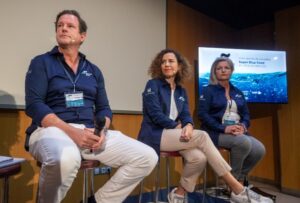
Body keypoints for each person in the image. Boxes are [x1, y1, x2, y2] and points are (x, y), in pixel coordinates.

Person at [25, 10, 158, 203]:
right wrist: (72, 132)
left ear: (82, 36)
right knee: (66, 158)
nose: (63, 28)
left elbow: (104, 108)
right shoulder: (41, 62)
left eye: (70, 26)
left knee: (147, 156)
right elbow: (34, 105)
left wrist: (102, 130)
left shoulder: (93, 70)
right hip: (51, 129)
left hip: (89, 132)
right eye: (60, 25)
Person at [138, 49, 273, 203]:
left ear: (180, 66)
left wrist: (188, 124)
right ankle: (237, 188)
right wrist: (178, 126)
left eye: (171, 61)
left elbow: (186, 114)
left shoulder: (181, 90)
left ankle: (178, 195)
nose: (166, 64)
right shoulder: (152, 84)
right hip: (155, 134)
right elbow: (155, 114)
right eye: (163, 62)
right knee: (202, 135)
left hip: (176, 135)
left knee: (199, 158)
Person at [198, 56, 266, 185]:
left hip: (237, 131)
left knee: (259, 149)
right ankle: (232, 185)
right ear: (214, 72)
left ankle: (239, 179)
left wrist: (243, 126)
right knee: (243, 142)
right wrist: (224, 128)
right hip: (214, 132)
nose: (223, 70)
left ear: (231, 71)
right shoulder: (208, 90)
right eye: (219, 68)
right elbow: (202, 115)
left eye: (226, 68)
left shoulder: (238, 91)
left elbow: (246, 114)